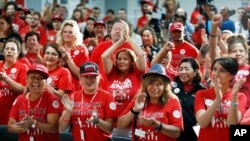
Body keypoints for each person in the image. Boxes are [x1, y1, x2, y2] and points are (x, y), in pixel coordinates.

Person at [101, 24, 146, 138]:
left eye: (125, 59)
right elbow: (104, 56)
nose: (122, 61)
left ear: (132, 62)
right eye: (119, 59)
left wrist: (128, 38)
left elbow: (140, 54)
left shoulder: (137, 73)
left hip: (131, 126)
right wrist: (120, 42)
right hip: (110, 124)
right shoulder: (112, 74)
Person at [117, 64, 183, 141]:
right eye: (151, 83)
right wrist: (134, 110)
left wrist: (157, 125)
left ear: (165, 87)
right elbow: (120, 125)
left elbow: (177, 133)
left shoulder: (172, 100)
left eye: (159, 84)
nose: (155, 87)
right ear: (146, 85)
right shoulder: (139, 98)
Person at [59, 61, 117, 141]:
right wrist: (68, 112)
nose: (89, 80)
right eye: (86, 76)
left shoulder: (107, 97)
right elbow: (61, 128)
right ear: (80, 78)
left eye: (93, 76)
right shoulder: (73, 97)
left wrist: (97, 121)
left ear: (99, 77)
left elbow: (109, 129)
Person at [195, 57, 247, 141]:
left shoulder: (240, 96)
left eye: (222, 71)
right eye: (214, 69)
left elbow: (232, 123)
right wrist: (217, 101)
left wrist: (234, 96)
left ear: (231, 76)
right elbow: (202, 123)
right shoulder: (201, 94)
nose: (216, 73)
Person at [7, 64, 62, 141]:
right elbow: (10, 126)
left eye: (40, 78)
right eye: (32, 77)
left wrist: (34, 123)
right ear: (26, 80)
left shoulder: (52, 99)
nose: (36, 80)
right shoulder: (19, 99)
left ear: (45, 82)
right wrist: (22, 127)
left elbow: (54, 128)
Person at [171, 58, 205, 141]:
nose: (183, 72)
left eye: (186, 69)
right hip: (174, 134)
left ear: (195, 71)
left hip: (193, 135)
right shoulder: (171, 87)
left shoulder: (202, 90)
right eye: (181, 69)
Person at [0, 38, 28, 125]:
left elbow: (24, 90)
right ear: (3, 51)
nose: (9, 51)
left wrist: (7, 79)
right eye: (7, 49)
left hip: (13, 113)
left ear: (18, 52)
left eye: (12, 49)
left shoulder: (23, 67)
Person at [56, 19, 89, 91]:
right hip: (58, 87)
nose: (67, 34)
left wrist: (68, 61)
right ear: (61, 33)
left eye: (70, 32)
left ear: (75, 34)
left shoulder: (82, 49)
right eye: (65, 32)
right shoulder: (57, 47)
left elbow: (82, 76)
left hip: (75, 89)